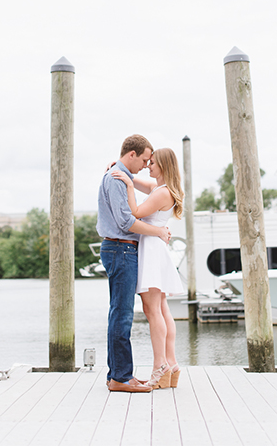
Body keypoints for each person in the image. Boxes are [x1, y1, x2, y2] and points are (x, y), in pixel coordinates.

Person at [97, 134, 172, 393]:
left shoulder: (121, 176)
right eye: (143, 159)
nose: (145, 165)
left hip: (123, 249)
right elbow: (126, 221)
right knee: (122, 314)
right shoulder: (117, 179)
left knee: (120, 312)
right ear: (132, 154)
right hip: (121, 249)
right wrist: (159, 232)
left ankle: (118, 374)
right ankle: (120, 377)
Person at [111, 147, 185, 389]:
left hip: (151, 250)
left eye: (152, 163)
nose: (148, 166)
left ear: (163, 165)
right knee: (161, 309)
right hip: (155, 248)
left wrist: (129, 188)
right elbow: (138, 180)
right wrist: (123, 172)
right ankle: (171, 364)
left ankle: (159, 366)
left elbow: (136, 212)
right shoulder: (161, 190)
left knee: (153, 310)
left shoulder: (162, 193)